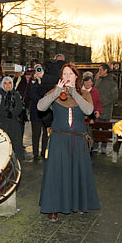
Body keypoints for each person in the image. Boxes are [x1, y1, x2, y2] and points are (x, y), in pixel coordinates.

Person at [37, 63, 100, 222]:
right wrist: (57, 92)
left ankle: (77, 202)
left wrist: (74, 92)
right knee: (56, 173)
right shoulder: (55, 92)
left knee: (77, 171)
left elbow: (88, 111)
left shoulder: (84, 94)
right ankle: (53, 207)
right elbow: (40, 106)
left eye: (70, 74)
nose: (67, 77)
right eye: (64, 74)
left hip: (78, 139)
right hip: (59, 139)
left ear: (76, 77)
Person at [0, 76, 25, 161]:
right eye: (5, 83)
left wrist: (12, 114)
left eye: (9, 83)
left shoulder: (16, 94)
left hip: (13, 123)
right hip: (1, 123)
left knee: (15, 144)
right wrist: (6, 114)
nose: (8, 85)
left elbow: (19, 107)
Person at [93, 63, 118, 154]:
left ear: (105, 70)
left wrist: (102, 104)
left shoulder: (112, 82)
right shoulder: (98, 80)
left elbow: (114, 97)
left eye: (100, 70)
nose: (99, 71)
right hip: (96, 110)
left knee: (105, 129)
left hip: (106, 110)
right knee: (95, 128)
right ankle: (95, 146)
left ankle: (104, 147)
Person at [27, 69, 48, 160]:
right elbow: (31, 95)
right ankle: (35, 153)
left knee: (45, 134)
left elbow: (48, 94)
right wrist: (36, 82)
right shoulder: (32, 84)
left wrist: (41, 82)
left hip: (46, 113)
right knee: (36, 134)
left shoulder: (47, 83)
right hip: (36, 113)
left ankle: (44, 152)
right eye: (36, 72)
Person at [82, 73, 103, 151]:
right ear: (83, 82)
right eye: (86, 82)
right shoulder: (79, 91)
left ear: (92, 83)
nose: (88, 84)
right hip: (80, 116)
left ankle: (90, 148)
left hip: (90, 117)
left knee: (90, 133)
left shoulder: (95, 91)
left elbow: (98, 102)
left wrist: (98, 111)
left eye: (90, 82)